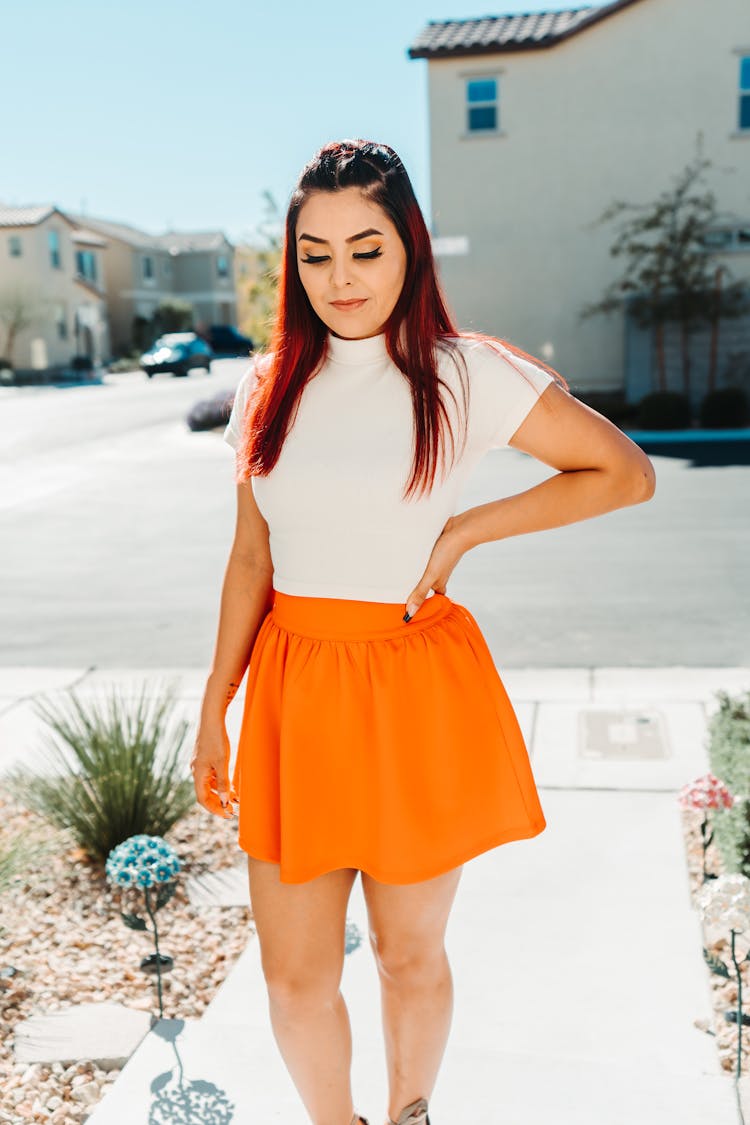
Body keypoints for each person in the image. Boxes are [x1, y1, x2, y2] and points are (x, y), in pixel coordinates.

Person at [190, 139, 656, 1125]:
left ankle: (410, 1112)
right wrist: (213, 710)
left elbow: (623, 472)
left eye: (365, 247)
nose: (340, 276)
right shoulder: (266, 382)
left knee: (409, 956)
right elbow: (248, 560)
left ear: (409, 246)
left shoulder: (464, 373)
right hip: (293, 692)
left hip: (409, 689)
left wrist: (466, 531)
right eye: (315, 254)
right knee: (294, 980)